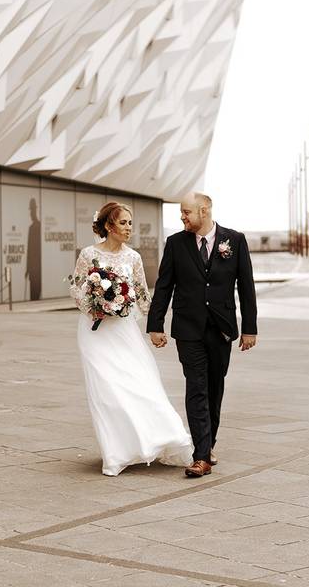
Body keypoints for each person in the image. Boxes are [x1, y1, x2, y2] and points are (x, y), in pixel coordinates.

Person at [70, 201, 192, 476]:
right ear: (109, 226)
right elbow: (77, 287)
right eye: (123, 223)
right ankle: (117, 453)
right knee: (106, 389)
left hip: (124, 330)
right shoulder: (88, 255)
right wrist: (96, 305)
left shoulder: (133, 258)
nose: (128, 228)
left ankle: (160, 437)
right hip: (95, 331)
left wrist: (155, 326)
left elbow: (142, 294)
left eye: (130, 223)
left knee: (140, 383)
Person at [147, 192, 257, 478]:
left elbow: (246, 287)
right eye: (182, 213)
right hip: (188, 330)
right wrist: (155, 324)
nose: (182, 217)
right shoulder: (175, 244)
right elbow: (163, 287)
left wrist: (249, 328)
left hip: (221, 330)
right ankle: (201, 457)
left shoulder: (235, 241)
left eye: (186, 212)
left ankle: (208, 444)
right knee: (196, 388)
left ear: (204, 210)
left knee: (214, 388)